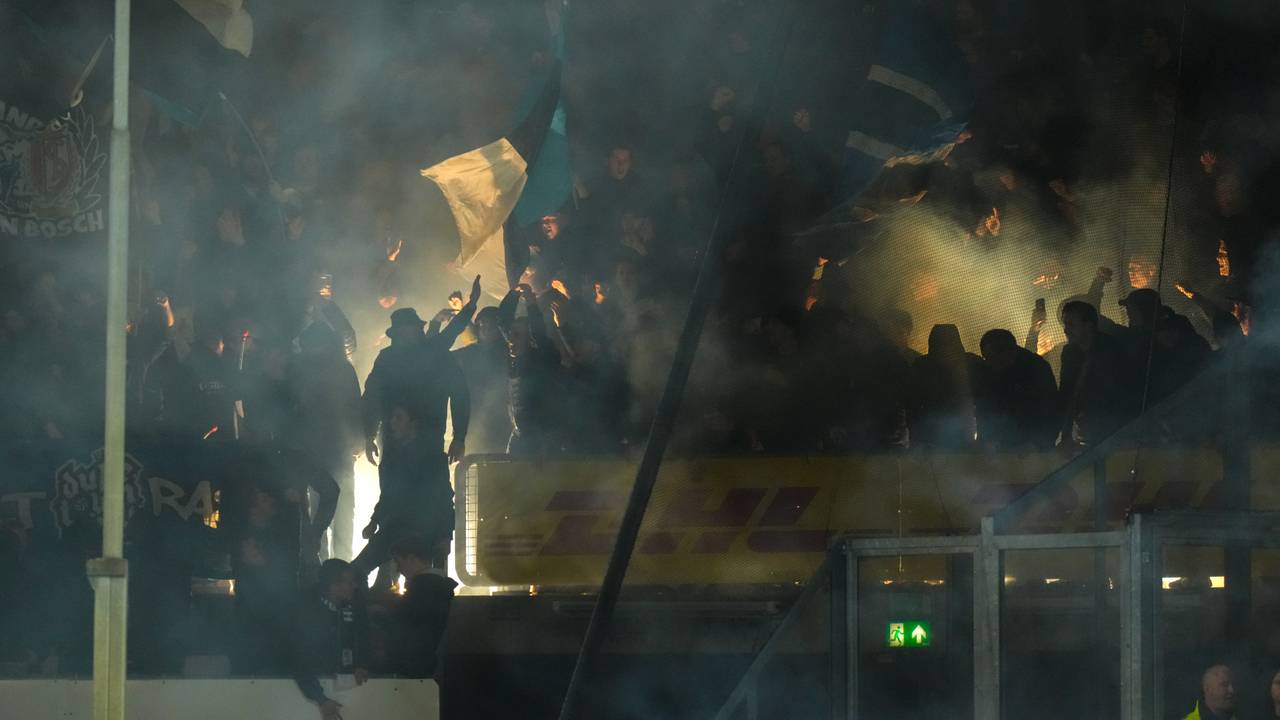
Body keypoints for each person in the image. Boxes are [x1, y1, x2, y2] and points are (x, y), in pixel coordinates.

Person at [356, 282, 476, 581]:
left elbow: (460, 394)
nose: (410, 335)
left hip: (428, 442)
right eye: (406, 330)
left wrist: (460, 435)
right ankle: (389, 573)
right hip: (395, 441)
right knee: (395, 496)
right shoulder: (388, 359)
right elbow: (371, 395)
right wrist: (369, 434)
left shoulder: (435, 355)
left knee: (430, 500)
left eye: (413, 329)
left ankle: (429, 573)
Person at [290, 559, 369, 720]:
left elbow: (362, 634)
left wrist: (362, 662)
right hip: (313, 682)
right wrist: (320, 698)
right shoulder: (306, 607)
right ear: (333, 585)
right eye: (350, 582)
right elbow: (298, 658)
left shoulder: (356, 601)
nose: (355, 586)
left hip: (345, 682)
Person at [1058, 301, 1138, 448]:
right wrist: (1066, 434)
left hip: (1116, 430)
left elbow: (1122, 394)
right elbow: (1066, 393)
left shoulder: (1112, 350)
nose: (1066, 330)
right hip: (1087, 429)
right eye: (1065, 325)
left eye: (1071, 325)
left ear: (1089, 326)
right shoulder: (1069, 353)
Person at [387, 535, 458, 678]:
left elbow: (410, 629)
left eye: (398, 561)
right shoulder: (440, 587)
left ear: (412, 558)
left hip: (417, 668)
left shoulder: (421, 590)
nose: (398, 568)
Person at [976, 328, 1059, 450]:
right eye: (987, 359)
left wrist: (1036, 444)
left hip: (1035, 451)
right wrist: (985, 440)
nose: (991, 365)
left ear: (1011, 352)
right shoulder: (988, 371)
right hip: (999, 449)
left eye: (996, 360)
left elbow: (1051, 411)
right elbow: (984, 408)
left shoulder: (1036, 369)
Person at [908, 324, 983, 450]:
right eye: (941, 344)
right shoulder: (922, 365)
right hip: (930, 432)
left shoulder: (971, 363)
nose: (946, 349)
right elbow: (913, 400)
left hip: (963, 428)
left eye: (949, 343)